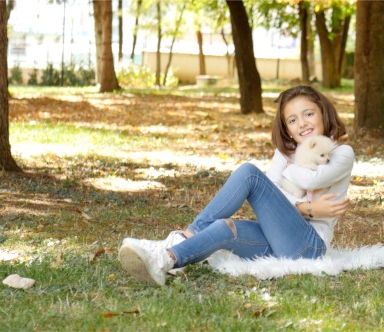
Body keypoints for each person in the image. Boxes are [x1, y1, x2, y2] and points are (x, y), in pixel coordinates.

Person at [119, 85, 355, 286]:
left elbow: (310, 180)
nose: (302, 123)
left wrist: (289, 173)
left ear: (323, 113)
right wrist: (308, 209)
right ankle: (167, 258)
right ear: (288, 131)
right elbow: (273, 193)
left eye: (309, 114)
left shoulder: (341, 153)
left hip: (309, 247)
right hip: (279, 240)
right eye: (292, 120)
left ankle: (179, 238)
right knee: (225, 227)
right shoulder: (284, 154)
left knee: (250, 175)